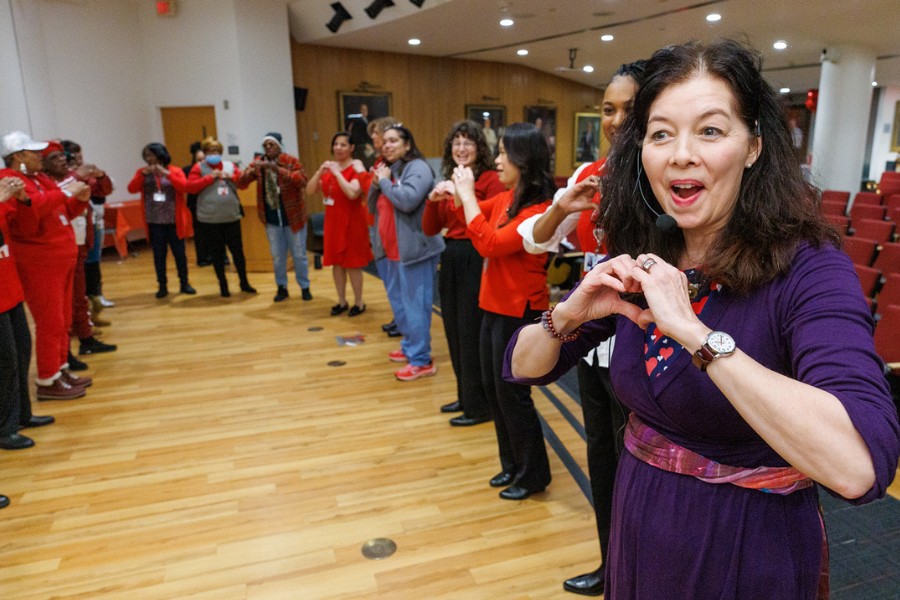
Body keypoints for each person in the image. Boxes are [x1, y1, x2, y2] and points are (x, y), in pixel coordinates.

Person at [505, 39, 900, 599]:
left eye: (710, 131)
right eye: (660, 134)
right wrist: (568, 315)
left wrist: (694, 334)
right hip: (640, 512)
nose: (680, 155)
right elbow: (521, 367)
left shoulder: (809, 267)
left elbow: (859, 465)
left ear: (754, 147)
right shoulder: (649, 249)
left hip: (746, 541)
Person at [517, 60, 646, 597]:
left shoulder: (664, 170)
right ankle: (610, 564)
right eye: (607, 109)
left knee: (639, 460)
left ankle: (639, 572)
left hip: (641, 330)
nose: (616, 120)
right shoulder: (590, 172)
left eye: (629, 109)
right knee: (600, 452)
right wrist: (560, 207)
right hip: (595, 331)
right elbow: (537, 238)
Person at [451, 122, 555, 500]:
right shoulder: (507, 198)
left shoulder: (541, 210)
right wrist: (452, 193)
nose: (496, 160)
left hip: (519, 308)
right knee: (496, 393)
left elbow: (491, 244)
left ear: (522, 160)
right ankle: (512, 464)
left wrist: (464, 196)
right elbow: (473, 217)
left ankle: (534, 474)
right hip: (492, 304)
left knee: (513, 395)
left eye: (502, 153)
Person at [0, 131, 92, 401]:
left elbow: (59, 211)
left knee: (62, 320)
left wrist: (79, 199)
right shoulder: (9, 180)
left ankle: (60, 368)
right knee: (50, 322)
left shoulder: (39, 178)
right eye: (33, 152)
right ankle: (47, 379)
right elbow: (33, 214)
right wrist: (66, 190)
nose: (40, 156)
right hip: (39, 262)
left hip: (60, 257)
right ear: (18, 157)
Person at [424, 120, 504, 425]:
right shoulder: (451, 177)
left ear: (479, 147)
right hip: (453, 255)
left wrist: (460, 194)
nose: (461, 148)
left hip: (475, 254)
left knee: (471, 331)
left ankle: (479, 405)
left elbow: (485, 222)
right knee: (454, 329)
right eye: (456, 143)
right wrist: (433, 201)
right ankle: (465, 394)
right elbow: (430, 228)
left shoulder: (489, 180)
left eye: (468, 142)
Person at [367, 124, 444, 381]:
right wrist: (378, 182)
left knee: (416, 307)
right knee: (400, 306)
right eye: (385, 142)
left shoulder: (417, 167)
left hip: (415, 251)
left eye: (393, 141)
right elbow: (370, 205)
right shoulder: (391, 169)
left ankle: (422, 361)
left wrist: (384, 181)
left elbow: (408, 200)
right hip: (388, 250)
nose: (387, 145)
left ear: (407, 145)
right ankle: (411, 347)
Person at [41, 142, 117, 356]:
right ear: (44, 164)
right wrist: (75, 177)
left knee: (79, 296)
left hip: (80, 242)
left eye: (63, 156)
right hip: (58, 247)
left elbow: (104, 189)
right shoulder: (45, 183)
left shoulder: (74, 177)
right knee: (65, 303)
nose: (63, 160)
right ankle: (67, 352)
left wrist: (100, 175)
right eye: (56, 157)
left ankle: (85, 337)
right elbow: (52, 199)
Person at [0, 176, 55, 450]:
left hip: (8, 286)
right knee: (5, 362)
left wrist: (23, 200)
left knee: (21, 351)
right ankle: (4, 428)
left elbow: (26, 228)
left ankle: (22, 414)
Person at [239, 132, 312, 303]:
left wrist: (277, 170)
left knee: (299, 254)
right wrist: (253, 172)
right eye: (265, 145)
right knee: (278, 255)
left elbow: (302, 181)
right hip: (271, 218)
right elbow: (241, 183)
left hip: (293, 216)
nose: (268, 148)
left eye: (272, 144)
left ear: (279, 145)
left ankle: (304, 286)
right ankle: (282, 287)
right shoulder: (258, 163)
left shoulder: (291, 161)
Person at [306, 132, 371, 315]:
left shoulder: (356, 168)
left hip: (353, 223)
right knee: (337, 264)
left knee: (352, 264)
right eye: (336, 144)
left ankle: (359, 302)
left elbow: (353, 193)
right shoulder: (329, 169)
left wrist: (337, 173)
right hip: (333, 224)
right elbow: (310, 190)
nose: (338, 148)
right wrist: (320, 171)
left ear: (351, 148)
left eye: (343, 145)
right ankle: (341, 301)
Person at [186, 137, 256, 297]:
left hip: (231, 217)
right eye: (210, 151)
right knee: (217, 254)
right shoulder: (199, 167)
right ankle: (223, 285)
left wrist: (232, 177)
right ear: (205, 153)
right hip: (210, 219)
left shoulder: (230, 166)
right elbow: (190, 187)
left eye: (216, 151)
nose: (214, 154)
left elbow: (243, 184)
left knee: (238, 252)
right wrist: (210, 177)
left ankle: (244, 282)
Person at [128, 143, 195, 299]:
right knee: (159, 255)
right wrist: (143, 175)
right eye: (146, 156)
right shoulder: (142, 172)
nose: (149, 159)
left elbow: (184, 187)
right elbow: (132, 188)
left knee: (180, 254)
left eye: (152, 155)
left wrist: (167, 174)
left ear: (161, 155)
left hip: (173, 220)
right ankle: (162, 285)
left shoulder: (175, 170)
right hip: (154, 220)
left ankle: (184, 283)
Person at [61, 140, 115, 311]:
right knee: (77, 267)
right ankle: (82, 304)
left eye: (80, 156)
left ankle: (96, 296)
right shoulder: (61, 178)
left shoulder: (87, 175)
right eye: (74, 157)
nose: (79, 160)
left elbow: (105, 189)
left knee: (93, 260)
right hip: (71, 225)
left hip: (92, 222)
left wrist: (100, 175)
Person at [359, 116, 400, 336]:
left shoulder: (392, 164)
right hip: (377, 221)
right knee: (388, 278)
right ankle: (398, 317)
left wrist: (363, 175)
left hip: (390, 226)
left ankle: (402, 320)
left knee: (394, 278)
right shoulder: (379, 162)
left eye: (376, 132)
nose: (373, 137)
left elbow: (371, 187)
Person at [182, 141, 212, 267]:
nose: (201, 162)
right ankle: (202, 258)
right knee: (199, 233)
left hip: (211, 204)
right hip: (195, 204)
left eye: (203, 159)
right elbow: (186, 187)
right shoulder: (188, 170)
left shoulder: (212, 169)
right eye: (198, 159)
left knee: (213, 232)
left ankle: (219, 257)